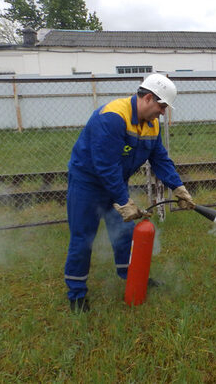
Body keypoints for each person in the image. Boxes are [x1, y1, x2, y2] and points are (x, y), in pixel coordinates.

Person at [64, 73, 195, 312]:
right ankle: (77, 295)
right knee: (83, 240)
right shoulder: (113, 117)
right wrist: (124, 201)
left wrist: (178, 187)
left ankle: (131, 278)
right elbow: (105, 165)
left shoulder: (151, 124)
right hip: (87, 185)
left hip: (115, 183)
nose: (163, 112)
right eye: (162, 106)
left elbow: (160, 159)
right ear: (147, 98)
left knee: (124, 234)